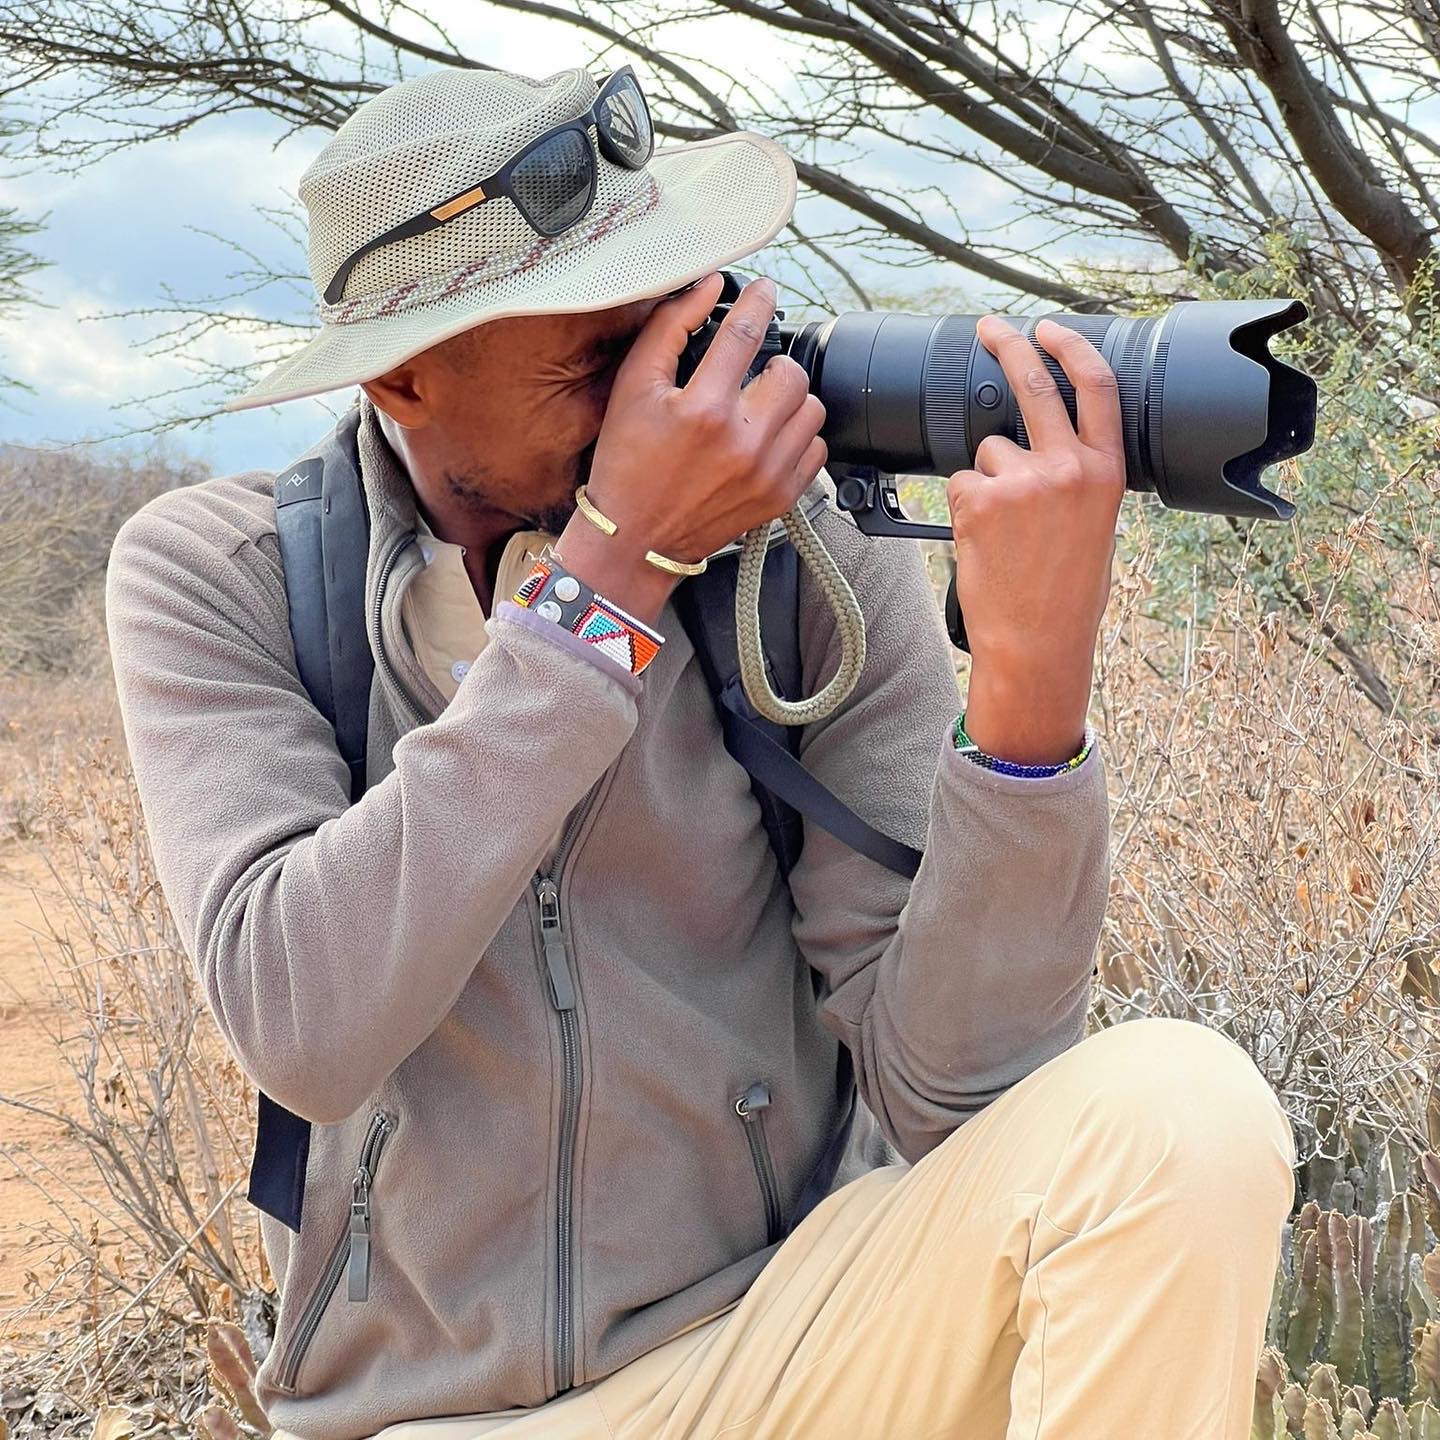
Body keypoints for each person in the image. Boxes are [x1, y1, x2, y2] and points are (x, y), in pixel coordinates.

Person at [105, 61, 1297, 1440]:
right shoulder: (225, 571)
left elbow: (951, 1094)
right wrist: (609, 585)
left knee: (1175, 1113)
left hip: (781, 1353)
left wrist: (1028, 701)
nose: (668, 399)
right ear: (403, 373)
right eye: (599, 363)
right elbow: (302, 1020)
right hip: (423, 1418)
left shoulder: (793, 555)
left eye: (673, 321)